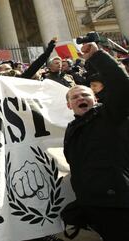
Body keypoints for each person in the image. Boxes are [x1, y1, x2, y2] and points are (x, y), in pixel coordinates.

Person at [63, 42, 129, 241]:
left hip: (118, 201)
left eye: (85, 95)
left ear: (95, 99)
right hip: (93, 204)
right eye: (75, 97)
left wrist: (98, 56)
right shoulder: (72, 129)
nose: (80, 98)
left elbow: (122, 86)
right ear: (68, 105)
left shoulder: (109, 115)